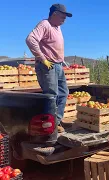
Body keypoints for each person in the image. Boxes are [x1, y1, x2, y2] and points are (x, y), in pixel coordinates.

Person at [26, 4, 73, 133]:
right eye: (62, 15)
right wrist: (42, 58)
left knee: (64, 93)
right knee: (51, 95)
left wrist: (62, 61)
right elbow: (31, 39)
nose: (64, 18)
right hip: (48, 65)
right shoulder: (45, 24)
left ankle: (56, 120)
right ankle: (50, 125)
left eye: (65, 16)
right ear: (54, 14)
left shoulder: (57, 27)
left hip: (57, 65)